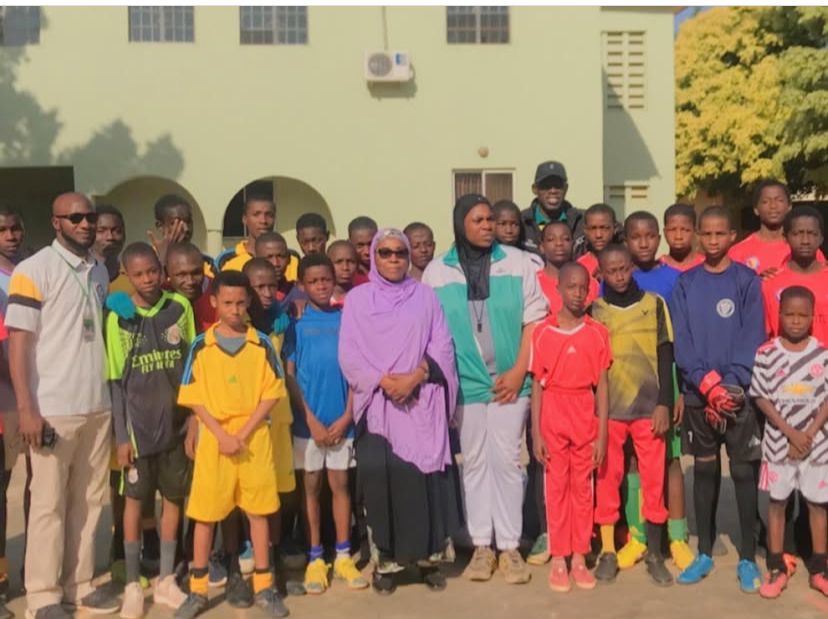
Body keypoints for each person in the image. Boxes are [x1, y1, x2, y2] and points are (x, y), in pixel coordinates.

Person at [423, 194, 547, 585]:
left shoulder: (518, 263)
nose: (487, 226)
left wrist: (518, 371)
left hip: (511, 381)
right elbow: (431, 331)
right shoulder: (437, 272)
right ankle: (481, 545)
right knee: (475, 460)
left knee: (507, 460)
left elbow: (534, 321)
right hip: (465, 383)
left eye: (490, 219)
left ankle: (509, 546)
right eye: (477, 220)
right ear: (460, 224)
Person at [6, 193, 119, 618]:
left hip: (97, 404)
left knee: (89, 502)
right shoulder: (33, 271)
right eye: (75, 218)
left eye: (89, 216)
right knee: (48, 504)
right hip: (52, 407)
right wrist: (27, 409)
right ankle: (43, 595)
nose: (85, 224)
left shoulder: (100, 269)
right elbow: (19, 345)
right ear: (56, 222)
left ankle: (80, 584)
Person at [339, 228, 462, 594]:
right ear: (373, 257)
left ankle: (427, 562)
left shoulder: (425, 297)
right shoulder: (358, 300)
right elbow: (349, 353)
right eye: (386, 253)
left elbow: (442, 344)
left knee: (424, 485)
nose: (394, 259)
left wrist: (414, 377)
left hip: (420, 403)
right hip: (379, 406)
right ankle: (387, 565)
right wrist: (383, 381)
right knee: (383, 485)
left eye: (400, 253)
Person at [175, 270, 288, 619]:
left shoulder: (261, 344)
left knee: (258, 512)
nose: (235, 310)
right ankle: (197, 590)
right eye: (227, 303)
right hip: (215, 440)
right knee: (205, 515)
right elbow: (193, 397)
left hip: (253, 438)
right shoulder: (201, 345)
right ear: (214, 302)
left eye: (240, 302)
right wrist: (221, 434)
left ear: (249, 302)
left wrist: (244, 432)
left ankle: (264, 587)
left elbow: (272, 393)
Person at [671, 206, 766, 592]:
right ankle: (705, 551)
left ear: (732, 236)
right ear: (698, 235)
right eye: (706, 234)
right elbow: (682, 341)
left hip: (736, 396)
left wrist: (730, 385)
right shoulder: (686, 284)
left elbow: (752, 336)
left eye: (719, 234)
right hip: (699, 397)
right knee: (705, 470)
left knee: (743, 472)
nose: (712, 241)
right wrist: (706, 385)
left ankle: (748, 557)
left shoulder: (746, 281)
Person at [106, 243, 195, 618]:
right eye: (138, 274)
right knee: (135, 503)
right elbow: (115, 382)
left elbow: (192, 368)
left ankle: (166, 579)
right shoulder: (119, 318)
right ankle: (132, 584)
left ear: (161, 270)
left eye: (152, 271)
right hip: (138, 431)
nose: (147, 279)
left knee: (174, 499)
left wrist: (193, 420)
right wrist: (121, 437)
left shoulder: (180, 307)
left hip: (177, 427)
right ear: (127, 275)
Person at [283, 254, 366, 594]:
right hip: (309, 426)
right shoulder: (295, 324)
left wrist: (347, 416)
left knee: (341, 485)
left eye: (326, 280)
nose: (321, 286)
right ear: (301, 285)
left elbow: (356, 372)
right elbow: (289, 377)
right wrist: (310, 420)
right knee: (311, 489)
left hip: (341, 423)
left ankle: (343, 555)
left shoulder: (347, 319)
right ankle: (315, 557)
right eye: (313, 281)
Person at [591, 245, 673, 586]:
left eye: (624, 268)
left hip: (648, 410)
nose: (619, 276)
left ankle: (654, 552)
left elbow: (665, 354)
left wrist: (664, 403)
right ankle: (609, 550)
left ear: (632, 267)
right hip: (611, 411)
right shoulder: (596, 311)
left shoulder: (654, 304)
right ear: (601, 274)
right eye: (611, 271)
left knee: (654, 480)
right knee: (607, 478)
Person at [530, 262, 610, 592]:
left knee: (582, 486)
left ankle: (579, 554)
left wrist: (602, 434)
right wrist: (536, 432)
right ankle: (559, 556)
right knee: (556, 487)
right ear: (559, 290)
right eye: (571, 287)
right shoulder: (542, 332)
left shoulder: (597, 332)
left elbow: (602, 386)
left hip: (583, 411)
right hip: (553, 411)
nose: (578, 294)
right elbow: (537, 386)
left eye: (583, 288)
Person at [620, 211, 694, 571]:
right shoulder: (617, 276)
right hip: (628, 383)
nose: (644, 242)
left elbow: (680, 337)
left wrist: (678, 391)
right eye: (636, 237)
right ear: (626, 241)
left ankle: (677, 537)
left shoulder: (675, 280)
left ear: (659, 238)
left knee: (671, 460)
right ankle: (638, 536)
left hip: (667, 380)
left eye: (650, 235)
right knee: (634, 460)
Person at [751, 287, 828, 598]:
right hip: (778, 444)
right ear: (779, 315)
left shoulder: (822, 354)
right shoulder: (766, 354)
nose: (796, 321)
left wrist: (808, 433)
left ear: (812, 317)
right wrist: (790, 433)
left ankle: (819, 568)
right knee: (777, 503)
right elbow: (761, 397)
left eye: (802, 315)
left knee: (817, 504)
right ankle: (777, 566)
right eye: (790, 315)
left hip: (816, 444)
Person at [242, 259, 297, 588]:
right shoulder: (237, 324)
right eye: (258, 287)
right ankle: (246, 551)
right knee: (250, 490)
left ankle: (273, 559)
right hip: (247, 424)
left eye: (271, 286)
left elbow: (288, 370)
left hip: (278, 419)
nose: (266, 293)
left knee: (276, 491)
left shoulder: (282, 321)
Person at [0, 205, 25, 614]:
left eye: (15, 228)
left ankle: (4, 577)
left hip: (9, 403)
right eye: (2, 229)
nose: (10, 235)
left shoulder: (26, 275)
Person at [730, 179, 823, 278]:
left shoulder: (806, 248)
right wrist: (757, 282)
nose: (773, 206)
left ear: (789, 206)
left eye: (779, 200)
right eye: (765, 202)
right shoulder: (738, 252)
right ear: (756, 209)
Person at [762, 207, 828, 345]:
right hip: (784, 359)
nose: (805, 240)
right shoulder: (769, 283)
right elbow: (763, 334)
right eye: (797, 233)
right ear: (786, 237)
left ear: (821, 238)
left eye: (812, 233)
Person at [520, 160, 583, 254]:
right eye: (546, 185)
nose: (553, 191)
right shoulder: (521, 223)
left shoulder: (581, 221)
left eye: (558, 185)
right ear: (535, 189)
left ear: (566, 188)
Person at [536, 221, 599, 316]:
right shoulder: (533, 283)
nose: (559, 243)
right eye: (551, 239)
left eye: (566, 239)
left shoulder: (590, 283)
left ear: (573, 244)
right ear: (542, 247)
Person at [148, 194, 214, 279]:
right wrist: (163, 261)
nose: (186, 229)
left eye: (188, 222)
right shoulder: (146, 261)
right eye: (176, 223)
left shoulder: (205, 262)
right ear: (160, 226)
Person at [216, 193, 276, 273]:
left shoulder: (289, 259)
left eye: (269, 215)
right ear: (245, 219)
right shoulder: (225, 259)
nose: (263, 221)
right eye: (256, 215)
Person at [165, 243, 216, 333]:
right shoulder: (159, 294)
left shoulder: (221, 293)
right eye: (181, 275)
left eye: (196, 273)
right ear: (167, 272)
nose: (190, 281)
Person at [94, 204, 131, 294]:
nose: (110, 237)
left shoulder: (135, 276)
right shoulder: (80, 276)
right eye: (101, 231)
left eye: (117, 231)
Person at [577, 203, 619, 278]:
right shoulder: (579, 267)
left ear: (615, 228)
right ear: (585, 230)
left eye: (604, 228)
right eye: (593, 228)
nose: (598, 235)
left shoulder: (625, 263)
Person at [659, 204, 704, 272]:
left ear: (694, 232)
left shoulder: (706, 265)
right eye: (672, 229)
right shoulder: (657, 267)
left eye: (685, 230)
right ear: (665, 233)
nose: (678, 236)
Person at [326, 241, 359, 306]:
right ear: (328, 264)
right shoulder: (319, 299)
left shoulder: (363, 297)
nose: (345, 267)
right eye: (339, 262)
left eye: (351, 262)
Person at [348, 216, 378, 284]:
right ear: (350, 243)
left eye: (371, 244)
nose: (367, 252)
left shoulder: (387, 270)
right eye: (360, 246)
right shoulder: (346, 274)